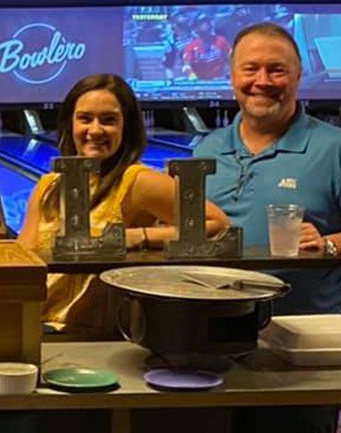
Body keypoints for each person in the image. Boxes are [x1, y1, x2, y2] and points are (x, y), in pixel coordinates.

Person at [193, 22, 341, 433]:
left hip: (307, 346)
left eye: (276, 70)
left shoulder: (338, 151)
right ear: (232, 78)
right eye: (251, 69)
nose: (262, 82)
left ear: (299, 77)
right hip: (223, 341)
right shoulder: (206, 149)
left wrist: (330, 243)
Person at [19, 73, 228, 332]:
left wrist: (140, 235)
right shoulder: (48, 186)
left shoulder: (136, 181)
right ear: (70, 124)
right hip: (38, 327)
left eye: (109, 120)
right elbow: (23, 260)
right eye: (85, 118)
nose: (95, 130)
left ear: (126, 127)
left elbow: (217, 223)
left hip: (99, 336)